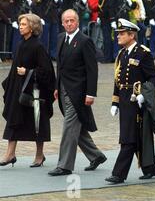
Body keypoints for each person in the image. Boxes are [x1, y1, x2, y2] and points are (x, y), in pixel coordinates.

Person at [48, 9, 107, 176]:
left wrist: (91, 93)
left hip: (79, 92)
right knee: (75, 126)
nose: (68, 24)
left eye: (72, 20)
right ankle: (96, 156)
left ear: (77, 21)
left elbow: (92, 69)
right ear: (61, 23)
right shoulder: (60, 38)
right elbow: (60, 65)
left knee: (69, 126)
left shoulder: (84, 41)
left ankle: (64, 165)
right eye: (66, 21)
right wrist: (57, 87)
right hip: (64, 88)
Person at [106, 19, 155, 184]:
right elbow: (118, 81)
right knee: (138, 135)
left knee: (128, 138)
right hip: (124, 100)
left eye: (122, 34)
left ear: (132, 35)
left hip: (137, 100)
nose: (118, 37)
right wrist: (115, 102)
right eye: (118, 34)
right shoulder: (121, 54)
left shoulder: (142, 53)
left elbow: (153, 77)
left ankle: (119, 173)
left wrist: (144, 93)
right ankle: (151, 168)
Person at [1, 14, 55, 168]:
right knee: (13, 120)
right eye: (20, 23)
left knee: (38, 122)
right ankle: (10, 154)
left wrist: (28, 72)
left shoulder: (38, 46)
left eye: (24, 24)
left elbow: (47, 71)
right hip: (18, 90)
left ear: (32, 27)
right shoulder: (20, 44)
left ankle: (39, 155)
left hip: (34, 93)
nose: (21, 26)